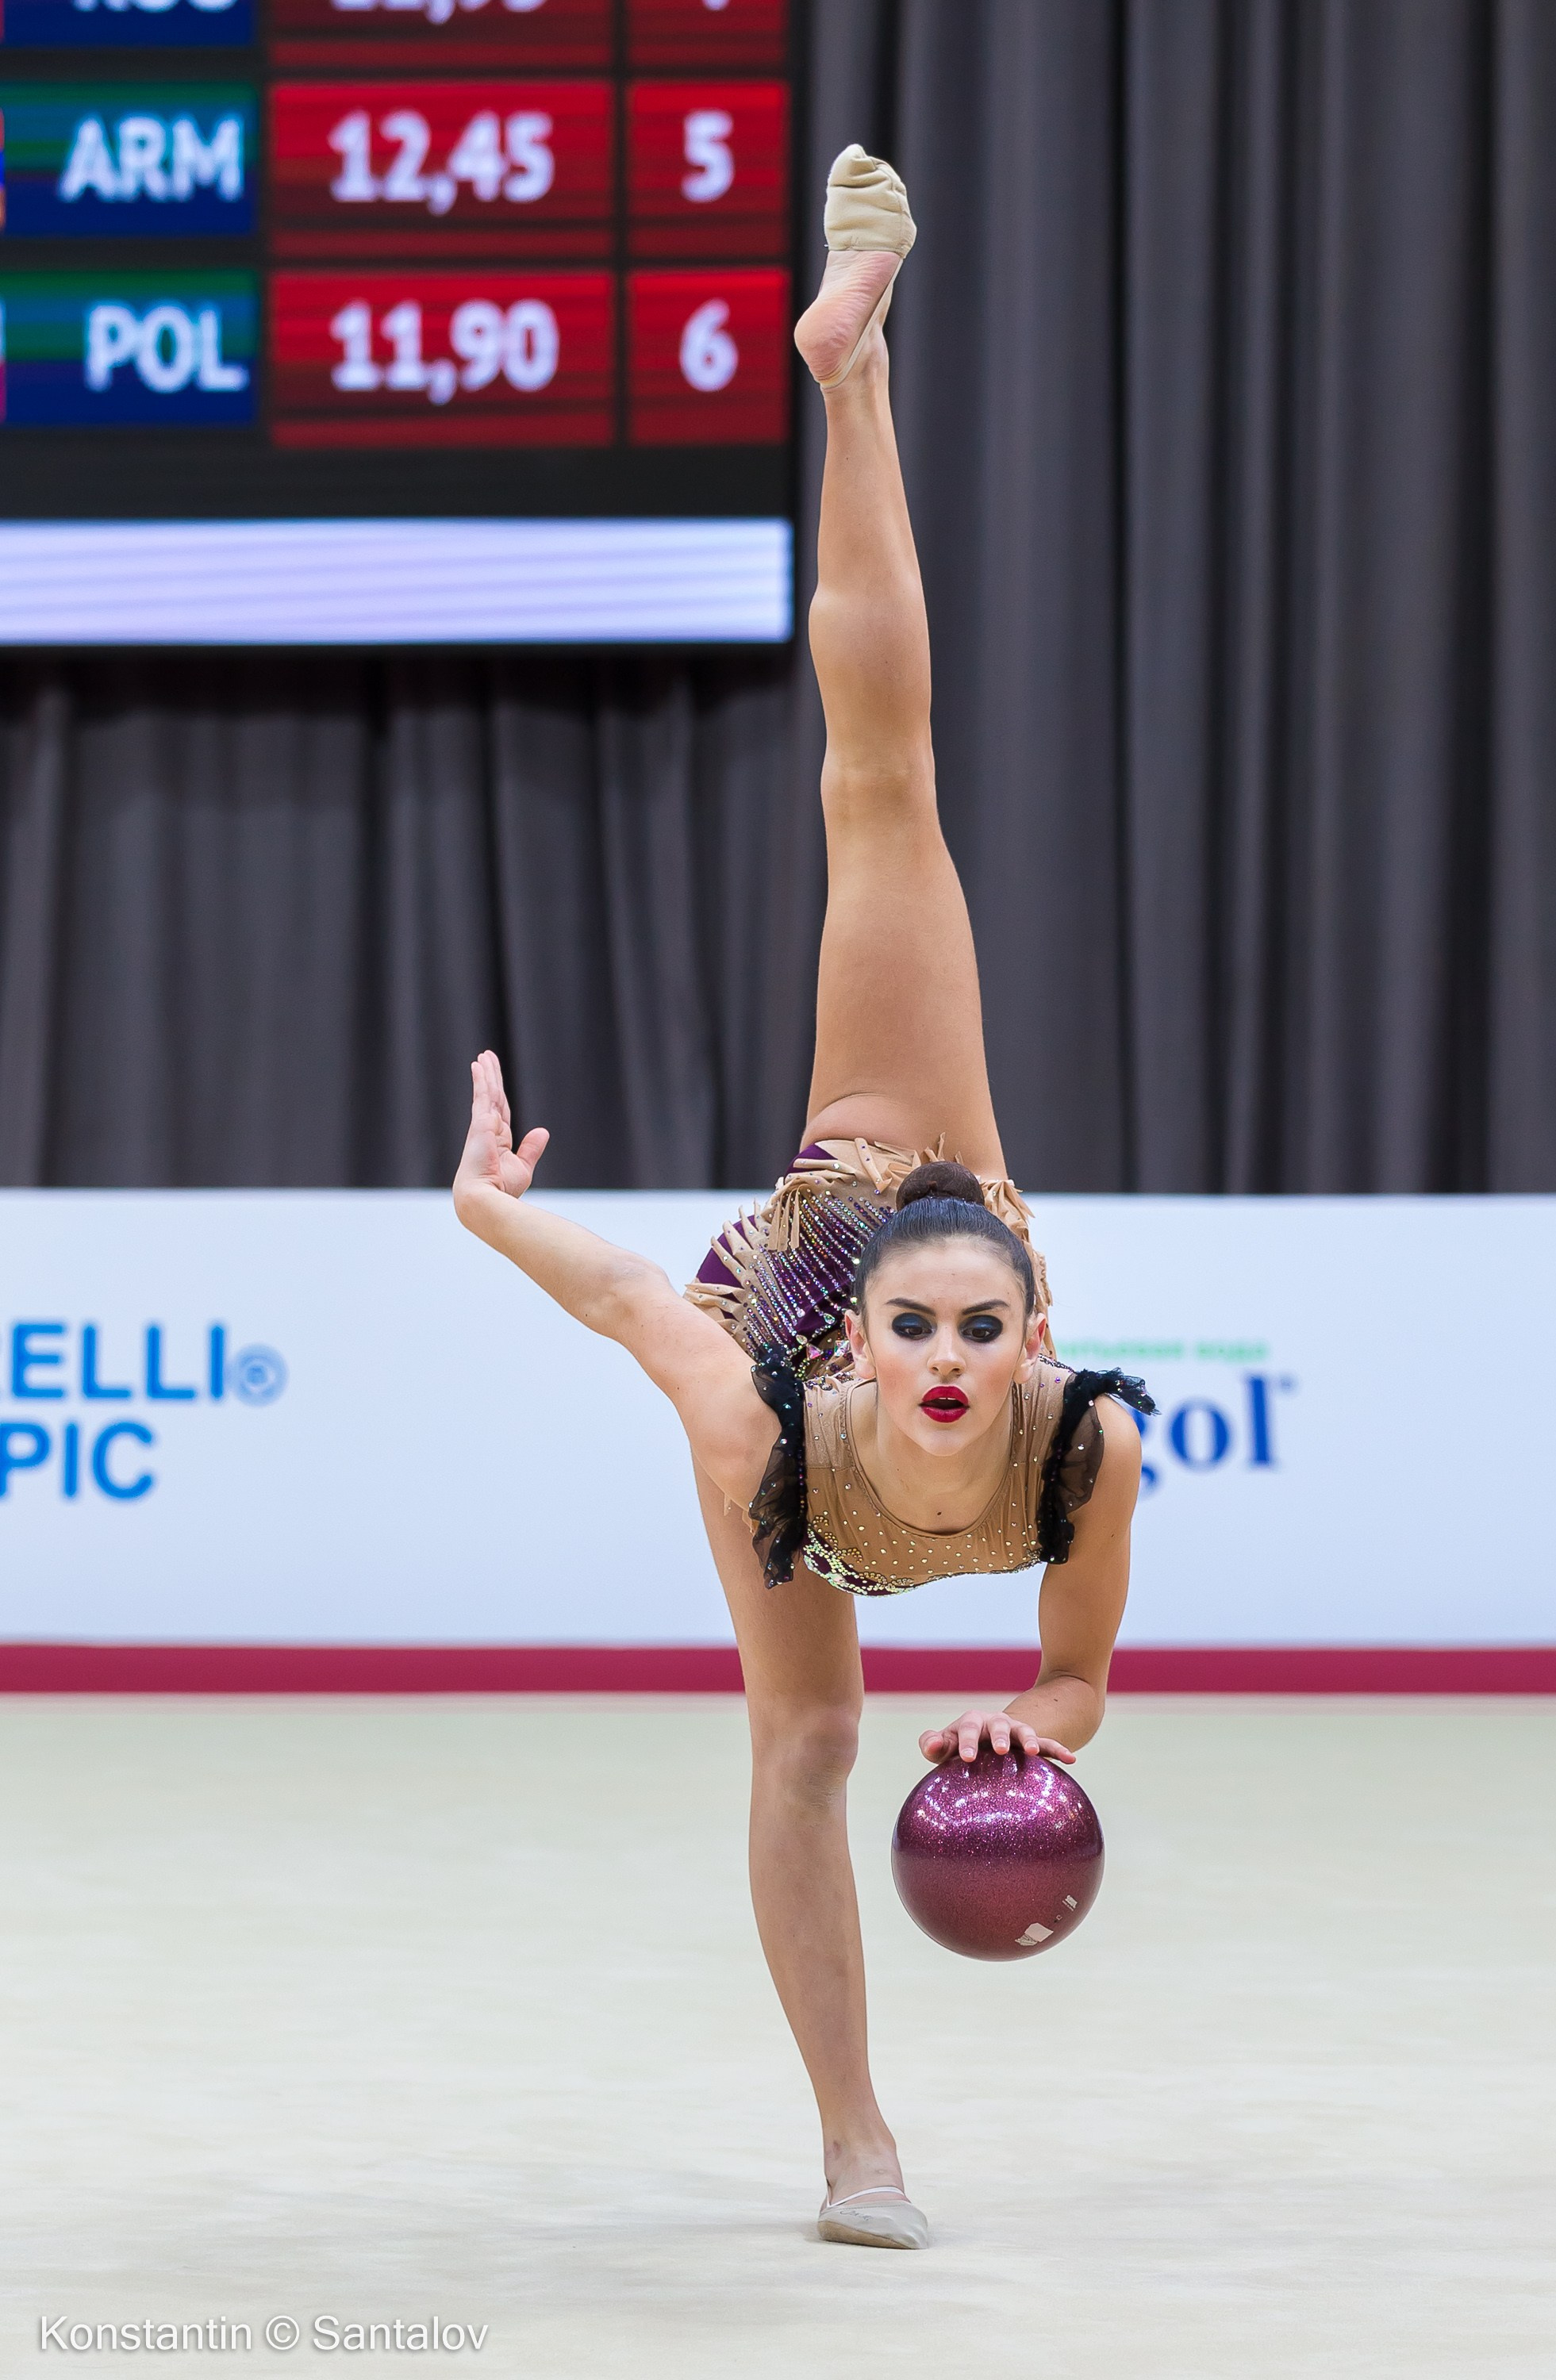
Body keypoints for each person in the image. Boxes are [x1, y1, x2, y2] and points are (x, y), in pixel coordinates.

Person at [452, 145, 1152, 2253]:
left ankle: (848, 373)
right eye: (927, 1341)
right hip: (864, 1186)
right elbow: (631, 1314)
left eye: (981, 1342)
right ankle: (856, 2137)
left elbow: (1082, 1682)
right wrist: (492, 1216)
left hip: (928, 1185)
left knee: (886, 783)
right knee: (810, 1743)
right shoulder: (770, 1425)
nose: (954, 1370)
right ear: (873, 1349)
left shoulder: (1086, 1446)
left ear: (1030, 1346)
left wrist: (1031, 1709)